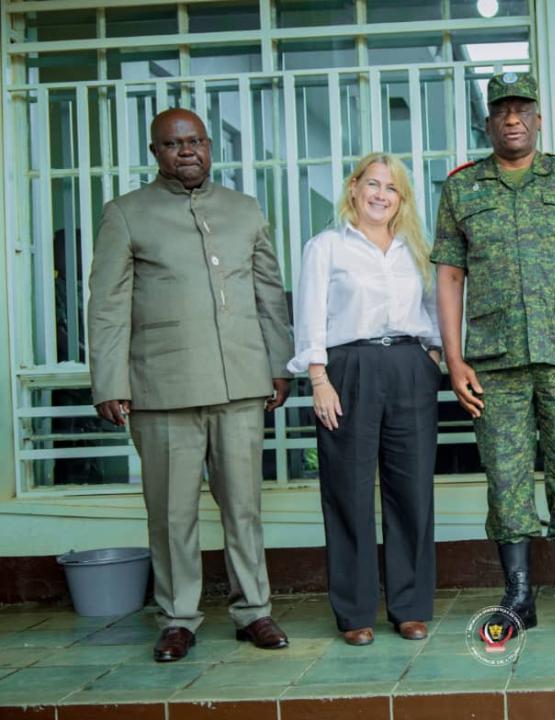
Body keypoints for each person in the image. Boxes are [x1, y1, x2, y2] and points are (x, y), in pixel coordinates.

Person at [87, 108, 294, 661]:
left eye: (196, 141)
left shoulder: (244, 210)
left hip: (241, 383)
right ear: (155, 152)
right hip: (163, 388)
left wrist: (279, 363)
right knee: (172, 512)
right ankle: (178, 617)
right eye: (174, 144)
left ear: (208, 145)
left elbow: (270, 294)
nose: (187, 151)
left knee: (244, 507)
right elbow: (106, 306)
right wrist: (109, 380)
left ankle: (254, 611)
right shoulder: (126, 214)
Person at [431, 71, 555, 640]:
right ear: (487, 122)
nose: (512, 118)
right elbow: (449, 275)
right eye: (502, 110)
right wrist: (454, 358)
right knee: (505, 475)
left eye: (522, 109)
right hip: (493, 359)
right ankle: (517, 596)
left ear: (538, 118)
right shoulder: (462, 188)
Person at [289, 153, 441, 647]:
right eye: (372, 184)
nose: (380, 195)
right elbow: (309, 315)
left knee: (412, 489)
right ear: (353, 188)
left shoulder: (415, 249)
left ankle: (411, 607)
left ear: (402, 200)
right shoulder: (327, 247)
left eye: (392, 188)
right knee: (348, 491)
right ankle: (355, 612)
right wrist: (318, 378)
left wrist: (434, 353)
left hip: (407, 365)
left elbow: (433, 307)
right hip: (347, 368)